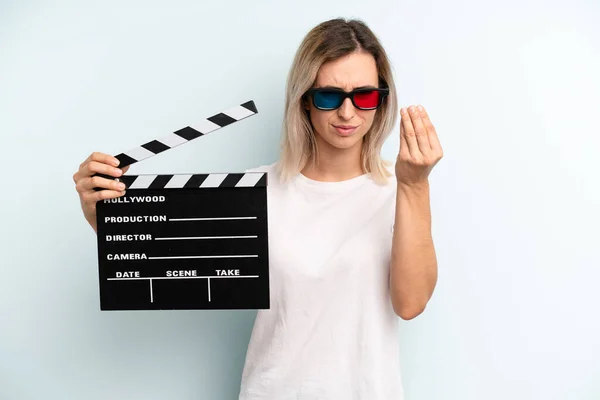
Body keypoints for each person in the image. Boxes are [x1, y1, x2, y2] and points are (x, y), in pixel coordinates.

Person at [73, 17, 443, 400]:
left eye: (364, 95)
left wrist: (415, 185)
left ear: (382, 100)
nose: (347, 113)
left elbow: (411, 302)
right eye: (329, 96)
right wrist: (103, 214)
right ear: (304, 100)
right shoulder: (253, 192)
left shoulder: (398, 192)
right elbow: (169, 258)